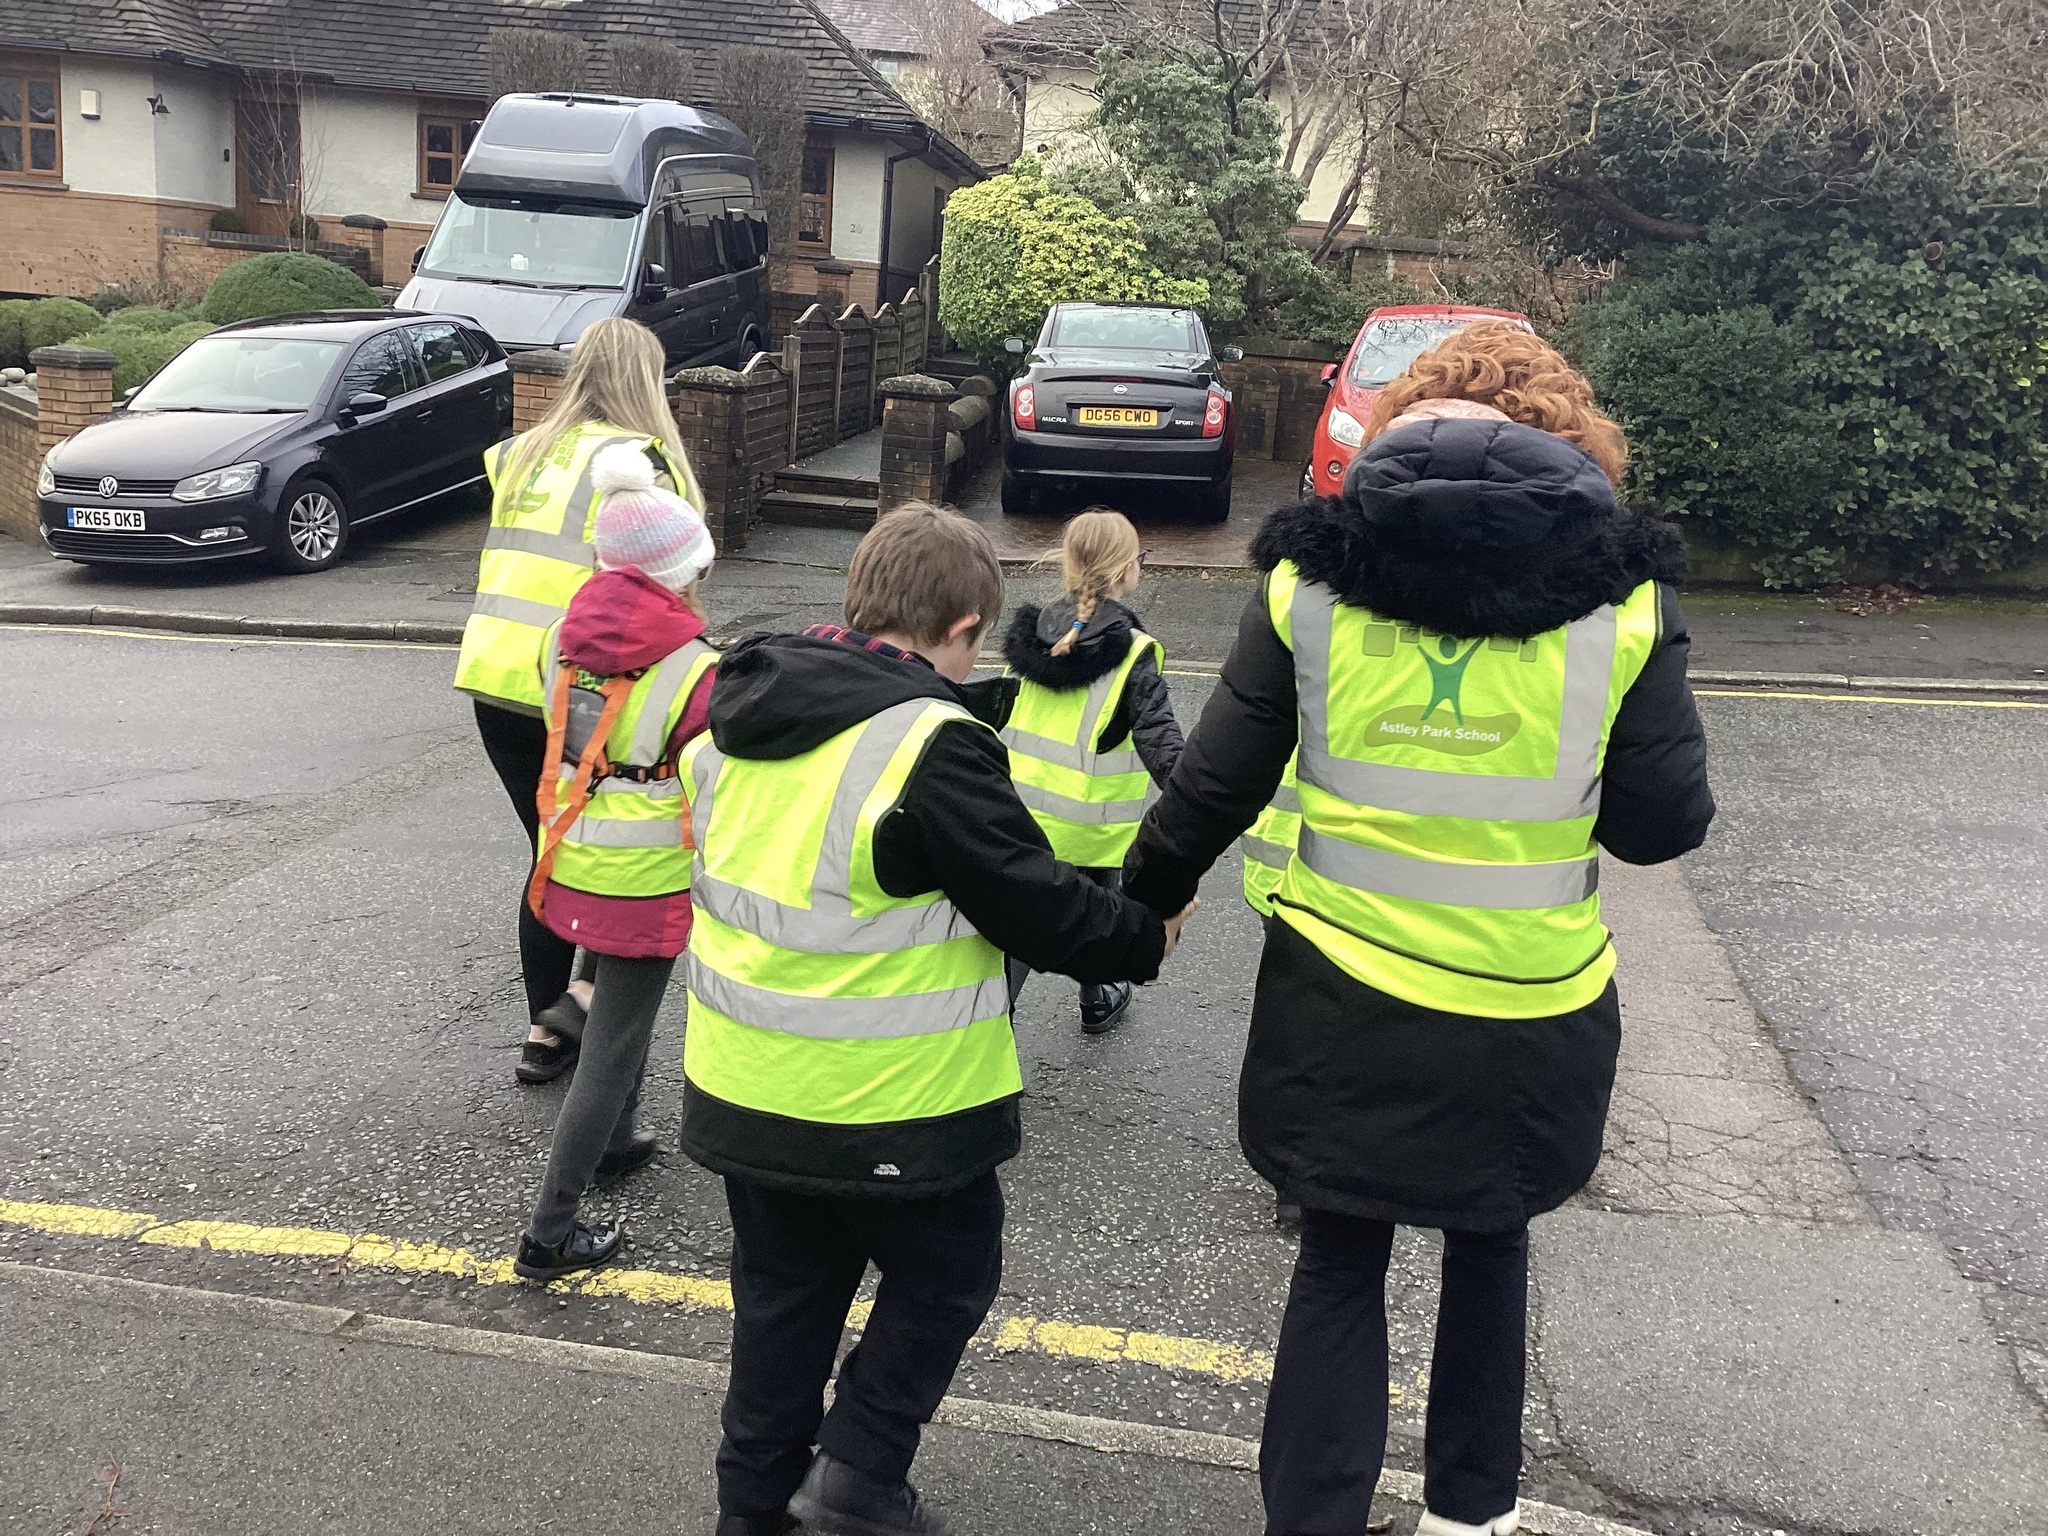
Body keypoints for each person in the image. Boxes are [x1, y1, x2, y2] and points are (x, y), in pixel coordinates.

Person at [1121, 320, 1715, 1536]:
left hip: (1339, 997)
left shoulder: (1309, 585)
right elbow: (1659, 828)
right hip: (1530, 1007)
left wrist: (1130, 912)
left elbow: (1212, 789)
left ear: (1401, 433)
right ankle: (1467, 1519)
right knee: (1489, 1249)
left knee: (1339, 1256)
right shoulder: (1622, 602)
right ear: (1570, 441)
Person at [676, 503, 1196, 1536]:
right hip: (890, 1103)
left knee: (782, 1307)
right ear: (960, 629)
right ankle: (857, 1474)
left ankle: (753, 1510)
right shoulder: (928, 742)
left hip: (744, 1090)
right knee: (949, 1274)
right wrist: (1146, 935)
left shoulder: (736, 717)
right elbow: (1036, 904)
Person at [452, 317, 702, 1086]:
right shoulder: (641, 461)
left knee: (550, 848)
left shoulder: (521, 454)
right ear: (645, 378)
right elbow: (659, 579)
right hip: (584, 683)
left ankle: (543, 1034)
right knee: (619, 845)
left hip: (498, 677)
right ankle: (586, 1002)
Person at [512, 443, 720, 1281]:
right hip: (649, 876)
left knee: (609, 1011)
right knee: (612, 1045)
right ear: (682, 573)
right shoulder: (698, 670)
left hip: (572, 850)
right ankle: (550, 1232)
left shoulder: (557, 638)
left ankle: (617, 1139)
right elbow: (711, 785)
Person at [999, 508, 1185, 1031]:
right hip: (1094, 828)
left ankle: (992, 1015)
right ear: (1127, 569)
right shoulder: (1133, 652)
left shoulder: (1032, 637)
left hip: (1025, 819)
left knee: (1023, 928)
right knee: (1100, 918)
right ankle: (1099, 996)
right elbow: (1160, 741)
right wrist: (1198, 804)